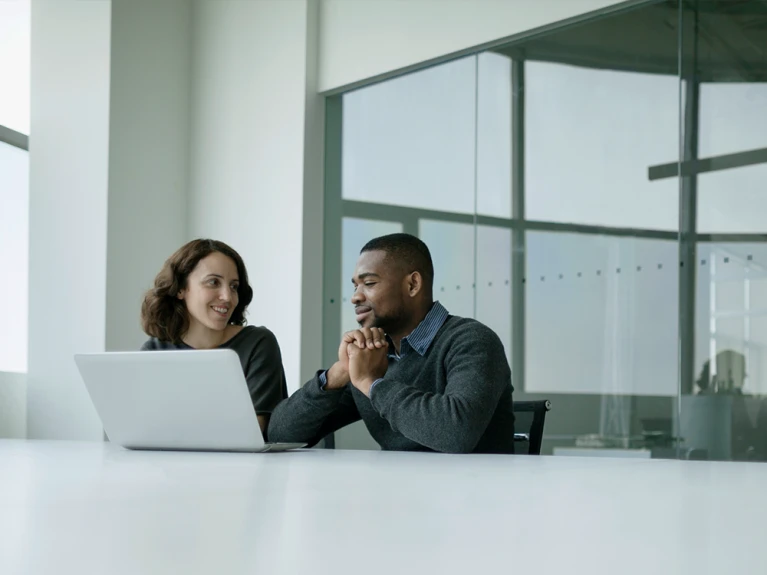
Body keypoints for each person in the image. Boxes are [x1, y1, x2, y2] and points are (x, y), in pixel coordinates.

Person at [268, 233, 515, 453]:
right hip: (400, 496)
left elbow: (457, 433)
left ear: (412, 284)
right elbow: (279, 435)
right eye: (355, 285)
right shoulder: (372, 356)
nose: (355, 296)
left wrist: (372, 384)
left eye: (369, 283)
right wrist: (338, 373)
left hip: (475, 497)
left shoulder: (471, 341)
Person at [140, 239, 288, 436]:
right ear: (180, 289)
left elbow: (254, 431)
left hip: (243, 466)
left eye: (234, 286)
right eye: (213, 282)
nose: (227, 296)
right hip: (167, 464)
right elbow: (144, 429)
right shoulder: (154, 352)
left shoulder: (258, 344)